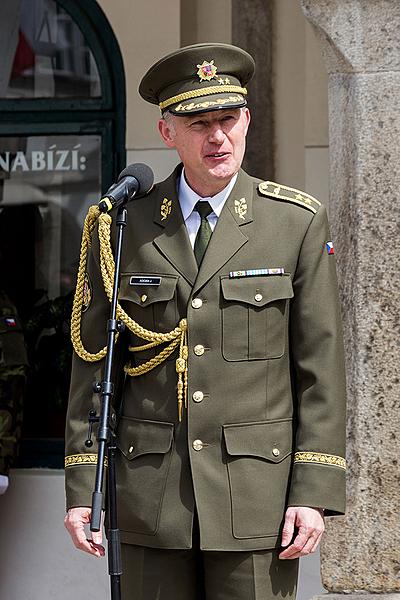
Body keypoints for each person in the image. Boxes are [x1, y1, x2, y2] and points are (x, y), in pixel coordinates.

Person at [64, 43, 346, 600]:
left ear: (246, 121)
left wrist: (311, 492)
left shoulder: (293, 223)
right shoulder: (122, 226)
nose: (217, 137)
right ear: (168, 132)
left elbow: (320, 372)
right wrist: (82, 487)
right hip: (150, 495)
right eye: (198, 123)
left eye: (227, 119)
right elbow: (93, 366)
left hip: (256, 498)